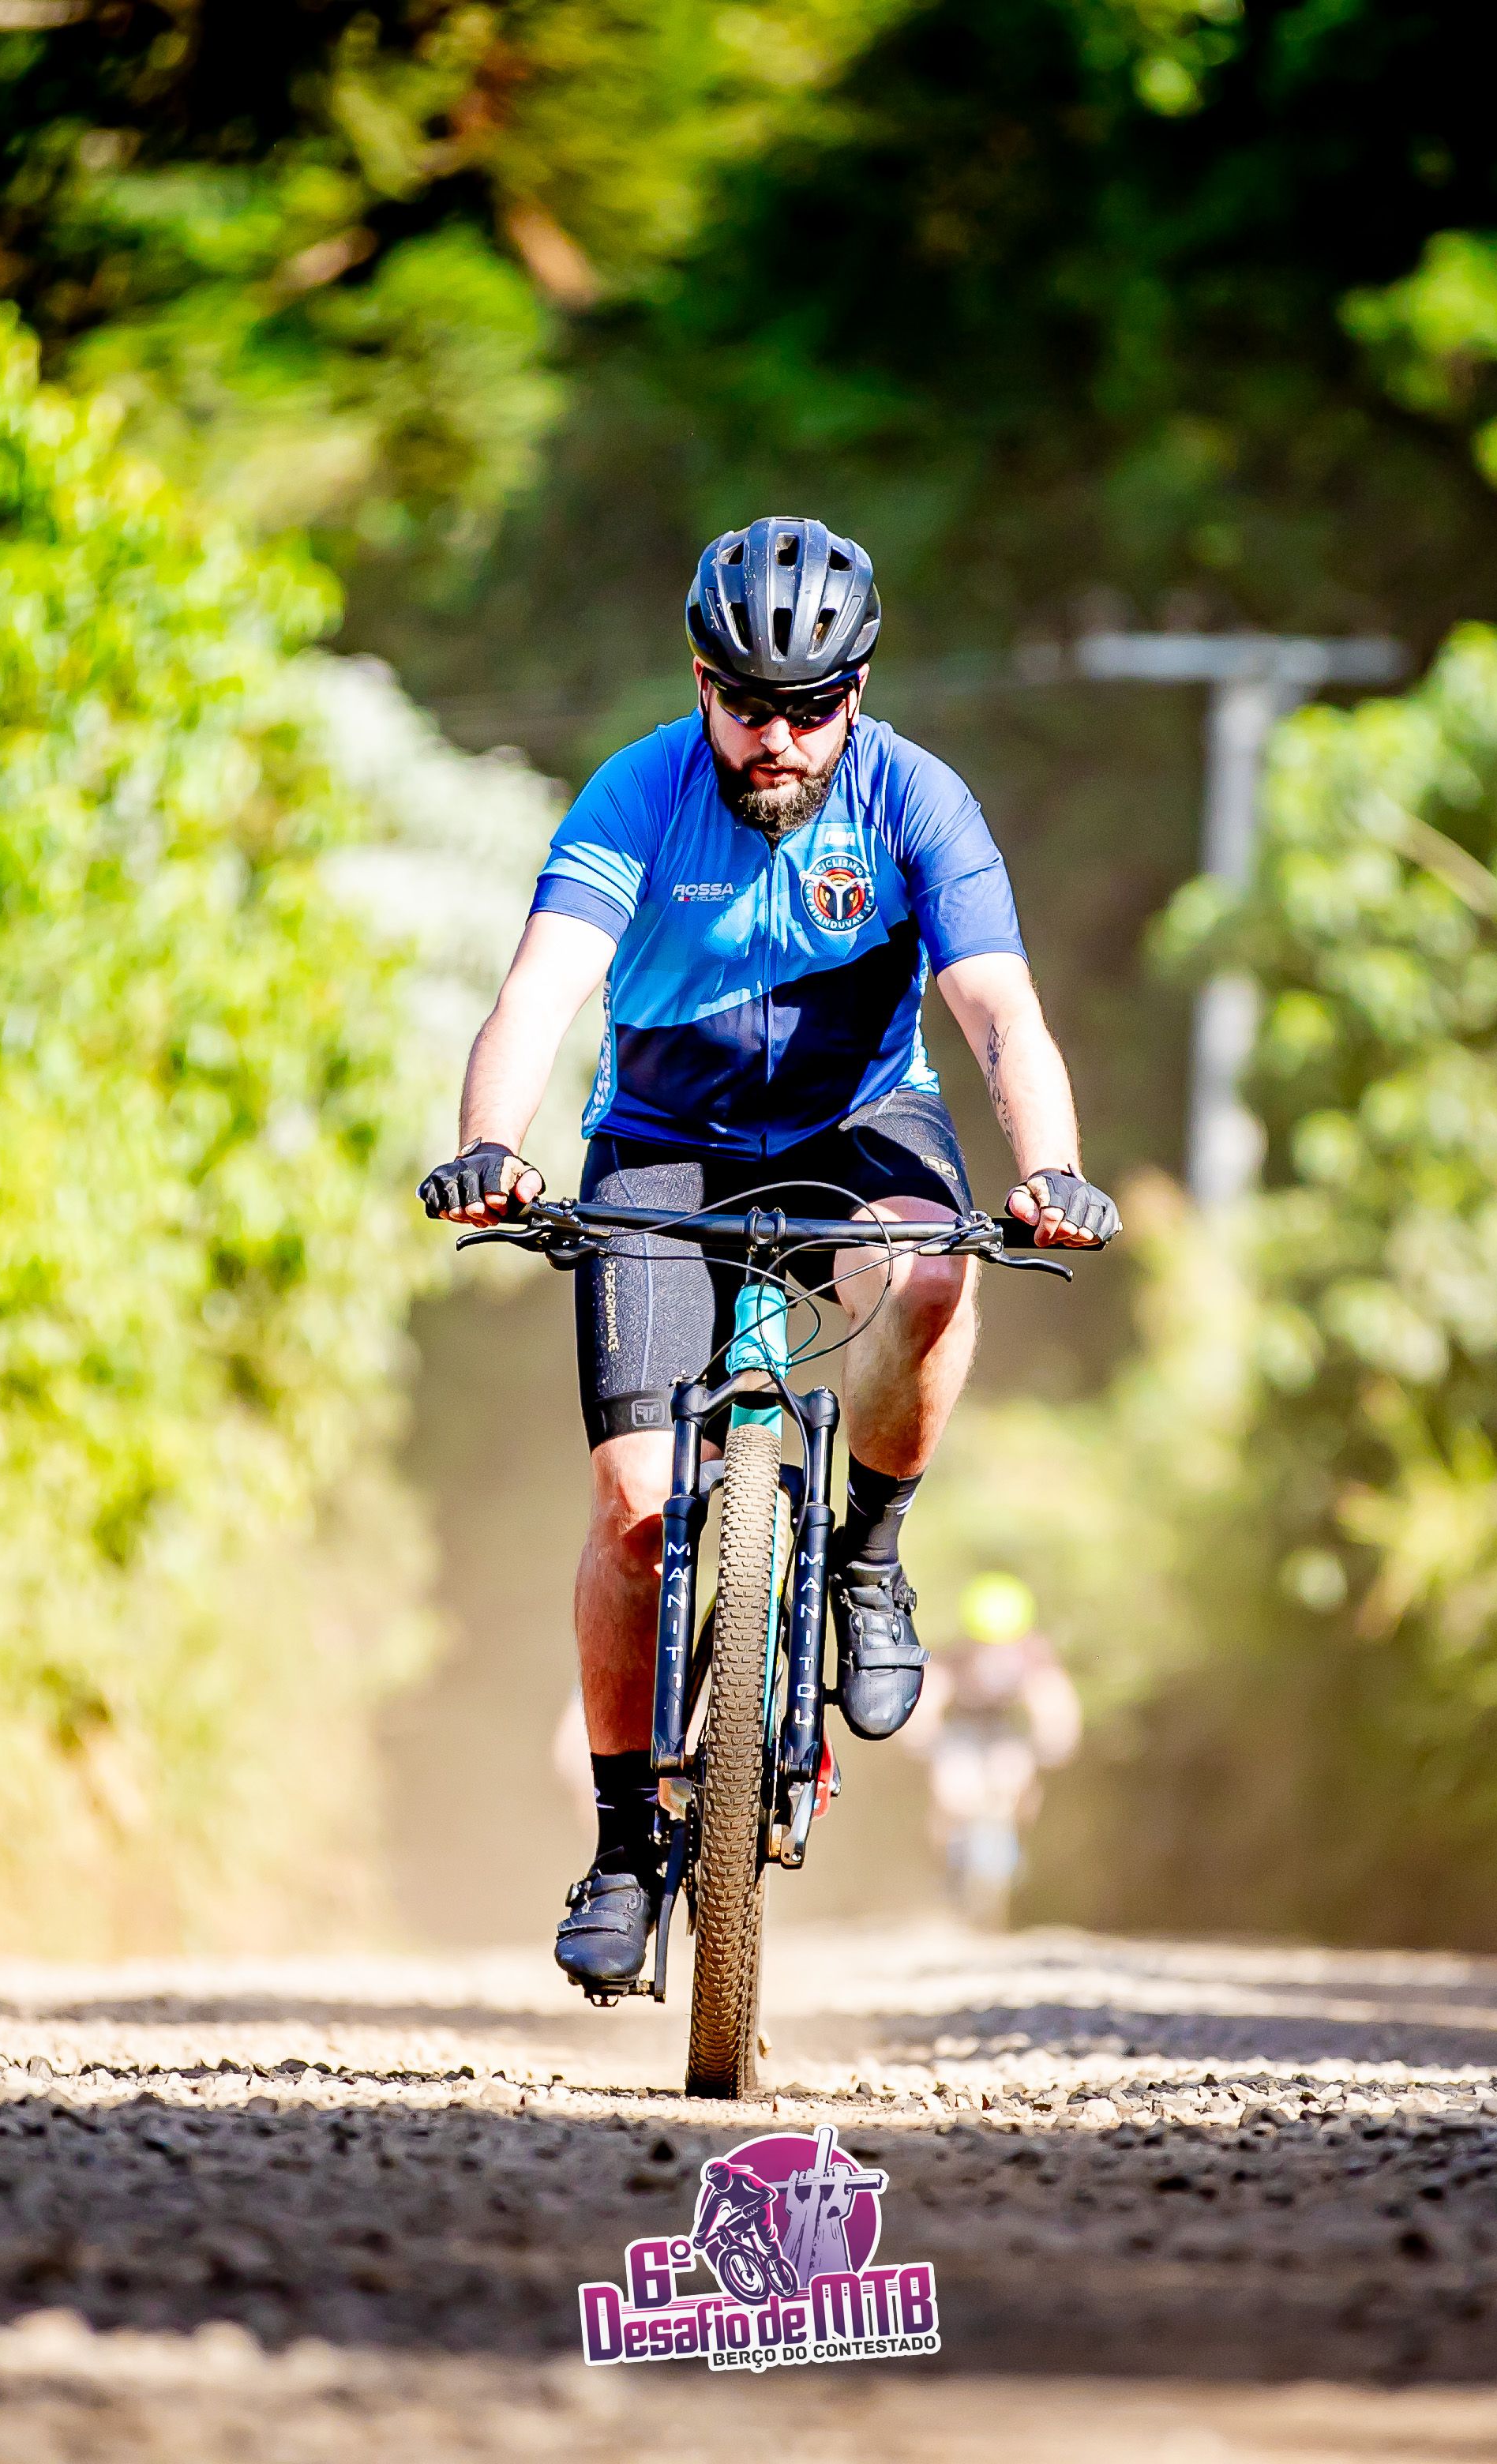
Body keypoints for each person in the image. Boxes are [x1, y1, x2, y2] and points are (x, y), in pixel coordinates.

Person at [419, 516, 1118, 1992]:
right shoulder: (636, 793)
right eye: (748, 705)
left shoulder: (918, 800)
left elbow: (999, 1009)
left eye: (811, 707)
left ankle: (869, 1557)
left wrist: (1051, 1169)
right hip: (661, 1142)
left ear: (856, 693)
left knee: (935, 1270)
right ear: (701, 685)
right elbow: (540, 990)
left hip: (858, 1124)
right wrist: (489, 1141)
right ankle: (623, 1851)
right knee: (632, 1513)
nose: (779, 740)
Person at [899, 1572, 1083, 1929]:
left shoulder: (1033, 1655)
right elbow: (931, 1692)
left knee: (1016, 1784)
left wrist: (1056, 1738)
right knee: (952, 1794)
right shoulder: (959, 1654)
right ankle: (944, 1867)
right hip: (962, 1730)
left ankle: (1009, 1857)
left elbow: (1053, 1699)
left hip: (1006, 1731)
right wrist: (920, 1731)